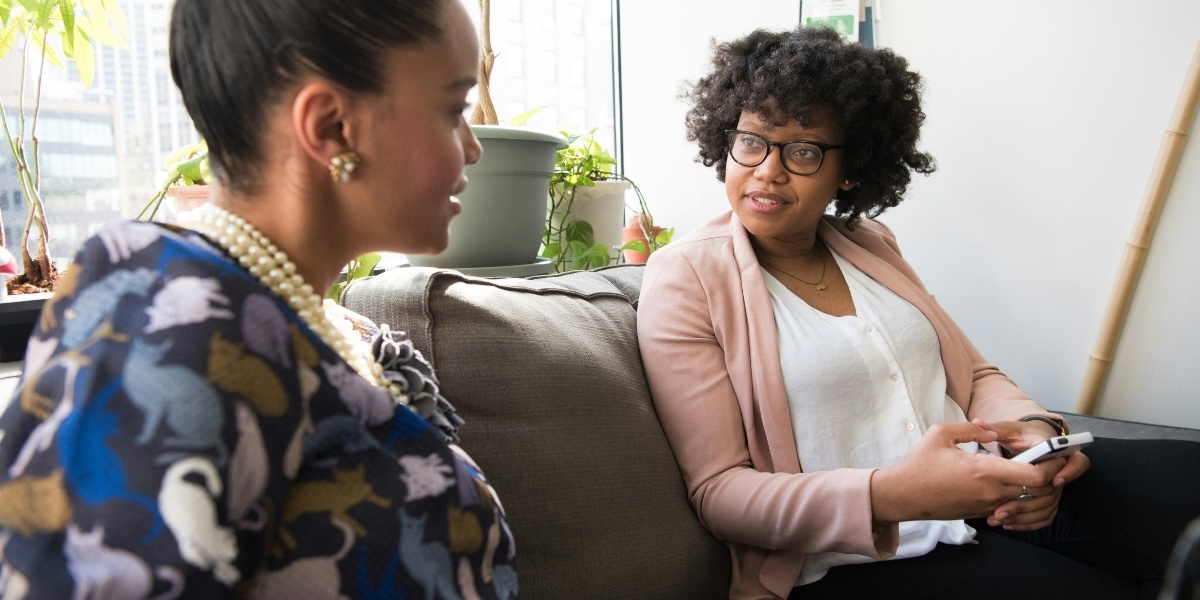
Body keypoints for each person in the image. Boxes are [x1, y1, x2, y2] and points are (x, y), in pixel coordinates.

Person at [637, 25, 1200, 600]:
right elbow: (720, 494)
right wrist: (896, 494)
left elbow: (975, 375)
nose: (767, 170)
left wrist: (1034, 435)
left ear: (849, 170)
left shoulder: (870, 242)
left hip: (991, 490)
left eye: (803, 151)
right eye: (751, 141)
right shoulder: (687, 277)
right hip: (865, 555)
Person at [0, 0, 519, 597]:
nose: (473, 148)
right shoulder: (168, 318)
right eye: (454, 109)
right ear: (331, 126)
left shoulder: (313, 325)